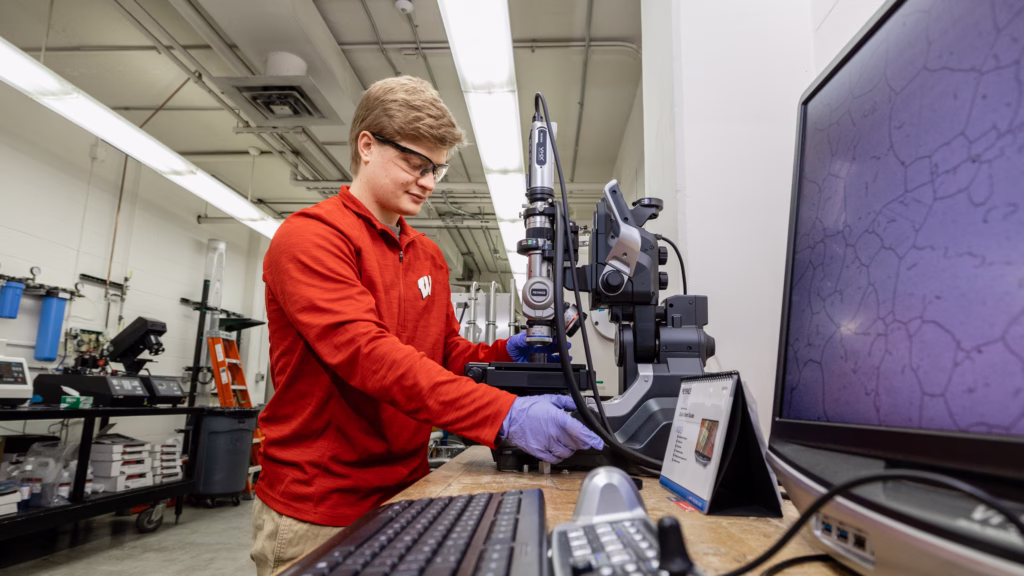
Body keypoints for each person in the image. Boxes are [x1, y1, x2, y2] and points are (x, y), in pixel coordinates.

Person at [250, 76, 603, 576]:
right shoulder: (311, 238)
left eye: (436, 168)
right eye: (416, 165)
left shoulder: (428, 256)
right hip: (320, 508)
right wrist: (506, 415)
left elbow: (444, 354)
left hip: (408, 493)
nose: (429, 182)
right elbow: (369, 357)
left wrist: (504, 354)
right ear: (367, 146)